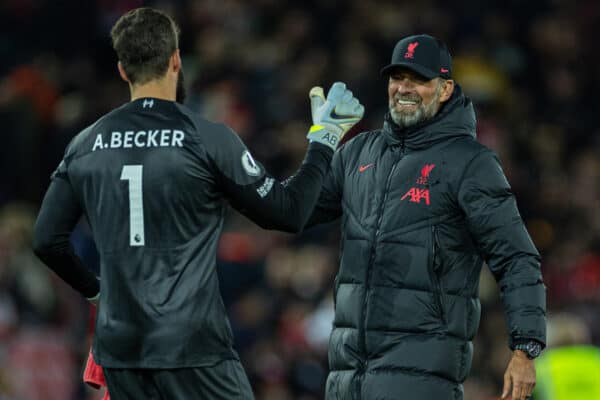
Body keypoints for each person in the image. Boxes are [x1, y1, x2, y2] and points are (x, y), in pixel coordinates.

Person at [32, 7, 363, 399]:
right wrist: (323, 140)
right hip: (192, 348)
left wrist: (96, 292)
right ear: (175, 60)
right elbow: (288, 213)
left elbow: (46, 240)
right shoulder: (205, 138)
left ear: (122, 70)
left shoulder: (85, 143)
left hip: (121, 348)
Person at [303, 34, 547, 400]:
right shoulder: (357, 153)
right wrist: (320, 144)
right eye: (397, 77)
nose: (404, 88)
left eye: (418, 79)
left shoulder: (470, 163)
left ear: (445, 88)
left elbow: (516, 257)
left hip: (421, 378)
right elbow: (292, 211)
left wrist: (524, 348)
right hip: (346, 378)